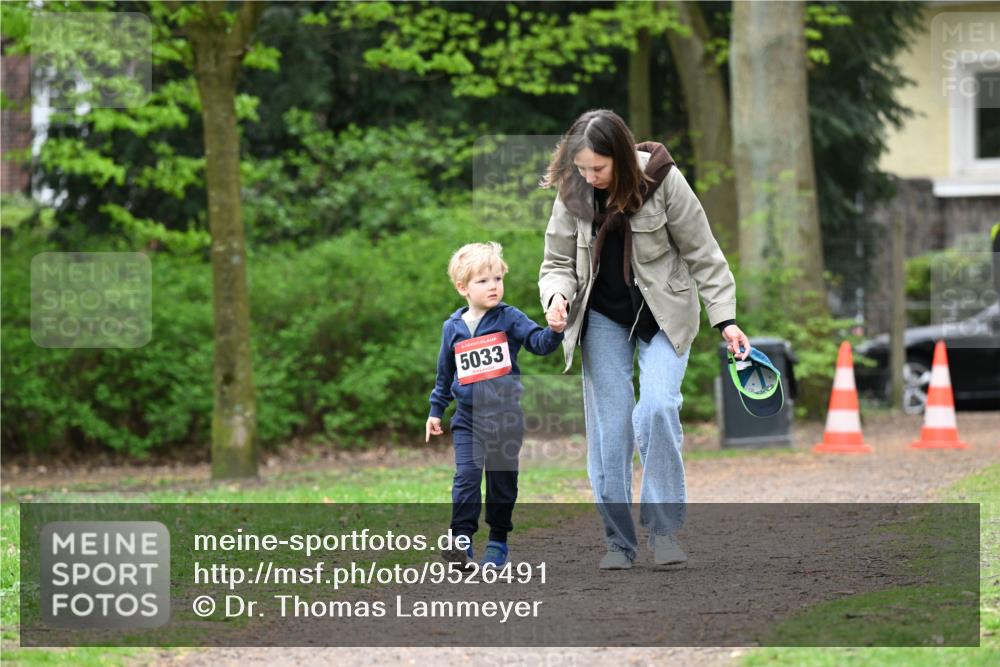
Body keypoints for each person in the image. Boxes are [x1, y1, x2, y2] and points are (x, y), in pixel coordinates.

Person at [538, 109, 751, 570]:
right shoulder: (572, 189)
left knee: (657, 407)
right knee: (611, 428)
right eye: (581, 168)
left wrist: (726, 320)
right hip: (602, 315)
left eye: (598, 168)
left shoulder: (664, 181)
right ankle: (618, 542)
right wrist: (557, 297)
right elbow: (556, 262)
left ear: (620, 156)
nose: (589, 177)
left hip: (664, 313)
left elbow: (703, 253)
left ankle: (664, 531)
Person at [427, 242, 565, 567]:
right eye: (483, 281)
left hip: (505, 419)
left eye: (498, 279)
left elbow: (538, 343)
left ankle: (498, 541)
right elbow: (445, 373)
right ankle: (461, 540)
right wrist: (436, 411)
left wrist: (555, 330)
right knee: (467, 476)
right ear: (462, 287)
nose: (493, 286)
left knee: (502, 484)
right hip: (468, 419)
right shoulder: (452, 328)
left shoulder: (509, 317)